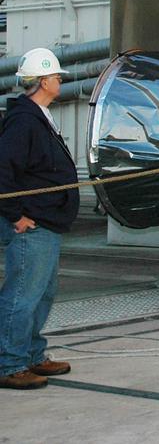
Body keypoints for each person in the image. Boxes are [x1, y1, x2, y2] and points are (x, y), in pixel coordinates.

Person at [0, 48, 78, 390]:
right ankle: (10, 363)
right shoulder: (24, 121)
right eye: (57, 76)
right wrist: (15, 215)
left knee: (42, 293)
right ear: (44, 81)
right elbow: (3, 169)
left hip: (47, 222)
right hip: (32, 224)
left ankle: (31, 354)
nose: (60, 81)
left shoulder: (38, 116)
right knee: (22, 295)